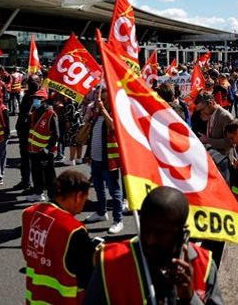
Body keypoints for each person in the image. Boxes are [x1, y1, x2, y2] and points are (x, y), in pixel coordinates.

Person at [85, 186, 223, 305]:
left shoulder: (204, 266)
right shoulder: (110, 263)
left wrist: (190, 298)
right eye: (145, 228)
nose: (150, 240)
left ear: (182, 232)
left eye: (160, 233)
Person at [21, 170, 95, 304]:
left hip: (34, 297)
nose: (83, 207)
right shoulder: (74, 230)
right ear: (78, 196)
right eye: (85, 199)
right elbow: (86, 276)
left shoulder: (29, 214)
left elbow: (28, 253)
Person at [83, 87, 124, 234]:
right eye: (100, 99)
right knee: (99, 188)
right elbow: (92, 135)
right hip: (96, 158)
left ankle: (118, 220)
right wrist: (88, 154)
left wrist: (103, 110)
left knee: (114, 191)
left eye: (105, 99)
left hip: (109, 160)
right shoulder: (96, 114)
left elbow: (113, 126)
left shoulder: (113, 113)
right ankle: (101, 212)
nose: (101, 101)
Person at [26, 88, 59, 202]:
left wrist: (47, 148)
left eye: (38, 98)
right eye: (35, 98)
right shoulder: (34, 112)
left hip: (45, 150)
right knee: (36, 173)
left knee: (49, 174)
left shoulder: (51, 114)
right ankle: (38, 193)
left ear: (44, 100)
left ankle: (53, 196)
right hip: (34, 149)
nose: (35, 100)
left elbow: (56, 134)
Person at [14, 73, 41, 191]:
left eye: (33, 82)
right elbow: (22, 112)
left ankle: (38, 185)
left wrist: (32, 115)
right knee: (24, 158)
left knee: (35, 160)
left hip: (34, 133)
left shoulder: (40, 97)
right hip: (23, 131)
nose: (31, 85)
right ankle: (25, 181)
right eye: (30, 83)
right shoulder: (27, 96)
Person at [193, 92, 234, 157]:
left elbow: (230, 143)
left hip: (222, 159)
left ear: (210, 103)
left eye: (202, 110)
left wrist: (207, 140)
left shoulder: (225, 117)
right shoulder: (210, 114)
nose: (201, 113)